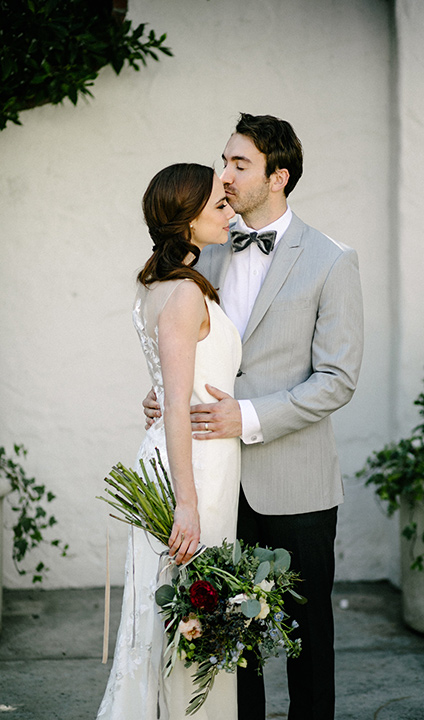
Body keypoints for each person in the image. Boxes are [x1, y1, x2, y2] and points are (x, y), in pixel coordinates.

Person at [144, 114, 364, 720]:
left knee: (308, 637)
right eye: (224, 161)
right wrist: (167, 394)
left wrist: (247, 417)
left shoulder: (331, 260)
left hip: (297, 483)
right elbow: (187, 344)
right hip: (217, 481)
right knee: (223, 637)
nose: (225, 176)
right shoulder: (209, 246)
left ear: (279, 176)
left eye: (239, 164)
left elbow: (338, 380)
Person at [97, 164, 242, 720]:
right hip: (194, 467)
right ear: (187, 220)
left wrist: (160, 393)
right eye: (218, 207)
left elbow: (172, 378)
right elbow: (177, 399)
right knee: (190, 617)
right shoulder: (183, 294)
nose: (228, 212)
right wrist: (187, 502)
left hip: (184, 451)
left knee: (174, 616)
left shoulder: (154, 283)